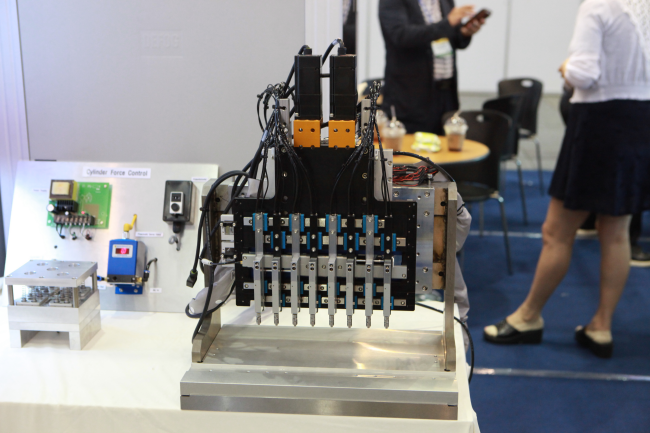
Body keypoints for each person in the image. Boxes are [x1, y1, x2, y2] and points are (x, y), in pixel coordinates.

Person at [484, 0, 650, 358]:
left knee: (556, 232)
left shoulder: (598, 6)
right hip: (640, 119)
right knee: (617, 232)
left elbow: (583, 74)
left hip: (599, 123)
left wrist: (566, 67)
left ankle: (528, 317)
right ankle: (601, 326)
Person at [562, 86, 650, 267]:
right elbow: (579, 76)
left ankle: (590, 219)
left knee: (601, 166)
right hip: (618, 113)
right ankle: (628, 241)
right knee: (629, 176)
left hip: (597, 109)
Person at [378, 0, 484, 134]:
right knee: (413, 145)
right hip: (411, 96)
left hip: (446, 94)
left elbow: (451, 36)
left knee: (445, 143)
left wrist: (464, 32)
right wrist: (447, 23)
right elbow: (400, 35)